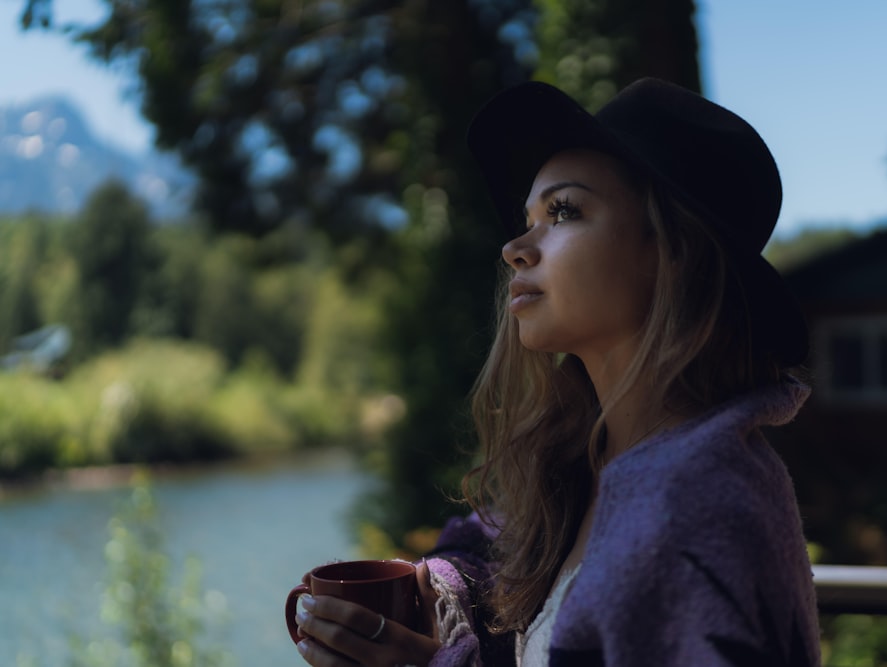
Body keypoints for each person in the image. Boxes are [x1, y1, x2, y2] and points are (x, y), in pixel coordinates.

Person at [293, 77, 822, 666]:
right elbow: (488, 547)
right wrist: (435, 594)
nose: (514, 247)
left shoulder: (699, 502)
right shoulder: (591, 462)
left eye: (563, 211)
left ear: (672, 254)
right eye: (527, 217)